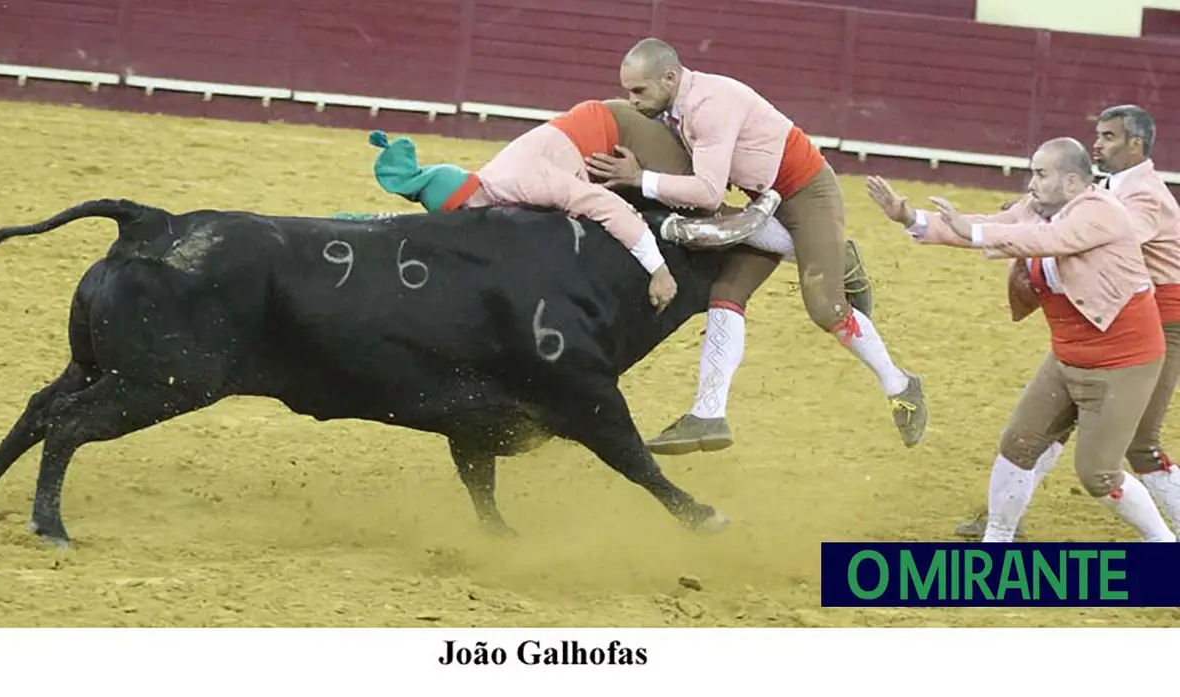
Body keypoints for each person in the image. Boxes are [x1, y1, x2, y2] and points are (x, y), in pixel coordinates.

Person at [587, 37, 924, 455]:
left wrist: (641, 180)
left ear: (670, 77)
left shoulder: (708, 104)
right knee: (724, 294)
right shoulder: (681, 101)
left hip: (806, 193)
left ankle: (901, 384)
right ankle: (708, 414)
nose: (632, 100)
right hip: (761, 200)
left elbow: (708, 194)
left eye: (639, 90)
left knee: (824, 306)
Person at [868, 137, 1176, 543]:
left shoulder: (1101, 212)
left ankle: (1164, 545)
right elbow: (990, 226)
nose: (1031, 183)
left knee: (1098, 473)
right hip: (1068, 354)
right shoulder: (1037, 209)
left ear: (1071, 182)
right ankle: (997, 541)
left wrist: (977, 232)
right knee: (1018, 445)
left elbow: (1047, 241)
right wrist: (912, 218)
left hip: (1122, 360)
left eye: (1040, 174)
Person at [360, 99, 875, 321]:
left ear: (472, 197)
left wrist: (655, 271)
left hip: (618, 133)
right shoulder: (481, 195)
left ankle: (822, 252)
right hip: (589, 152)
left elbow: (604, 204)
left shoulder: (520, 182)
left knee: (701, 214)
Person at [951, 105, 1180, 539]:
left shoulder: (1143, 196)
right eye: (1098, 135)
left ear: (1137, 144)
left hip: (1156, 324)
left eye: (1109, 137)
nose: (1098, 144)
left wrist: (1039, 221)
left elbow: (1083, 236)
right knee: (1049, 422)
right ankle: (1002, 522)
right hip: (1099, 319)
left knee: (1140, 446)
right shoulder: (1109, 188)